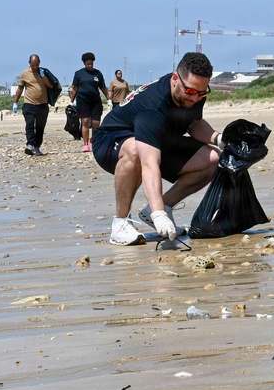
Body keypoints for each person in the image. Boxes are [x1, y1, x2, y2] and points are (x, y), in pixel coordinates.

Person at [92, 52, 225, 246]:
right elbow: (149, 164)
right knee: (135, 150)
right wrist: (158, 214)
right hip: (111, 139)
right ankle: (120, 223)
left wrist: (218, 138)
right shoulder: (153, 107)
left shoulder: (195, 92)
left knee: (213, 159)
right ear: (175, 79)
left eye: (201, 93)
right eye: (190, 92)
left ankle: (160, 208)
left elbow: (193, 123)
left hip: (158, 138)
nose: (195, 98)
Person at [69, 52, 110, 152]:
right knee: (85, 121)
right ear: (84, 63)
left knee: (96, 123)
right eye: (88, 64)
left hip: (95, 101)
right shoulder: (79, 74)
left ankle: (94, 141)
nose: (90, 66)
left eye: (91, 64)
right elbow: (75, 88)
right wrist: (71, 100)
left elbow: (103, 88)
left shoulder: (98, 74)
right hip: (83, 100)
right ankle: (86, 144)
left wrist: (109, 99)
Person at [12, 54, 51, 155]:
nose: (35, 67)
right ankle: (30, 145)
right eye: (33, 65)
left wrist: (43, 77)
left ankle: (37, 147)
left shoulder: (44, 72)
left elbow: (51, 86)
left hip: (42, 104)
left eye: (37, 65)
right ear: (29, 63)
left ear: (39, 63)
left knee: (40, 127)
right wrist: (15, 102)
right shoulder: (24, 74)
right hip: (29, 104)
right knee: (29, 125)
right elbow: (20, 89)